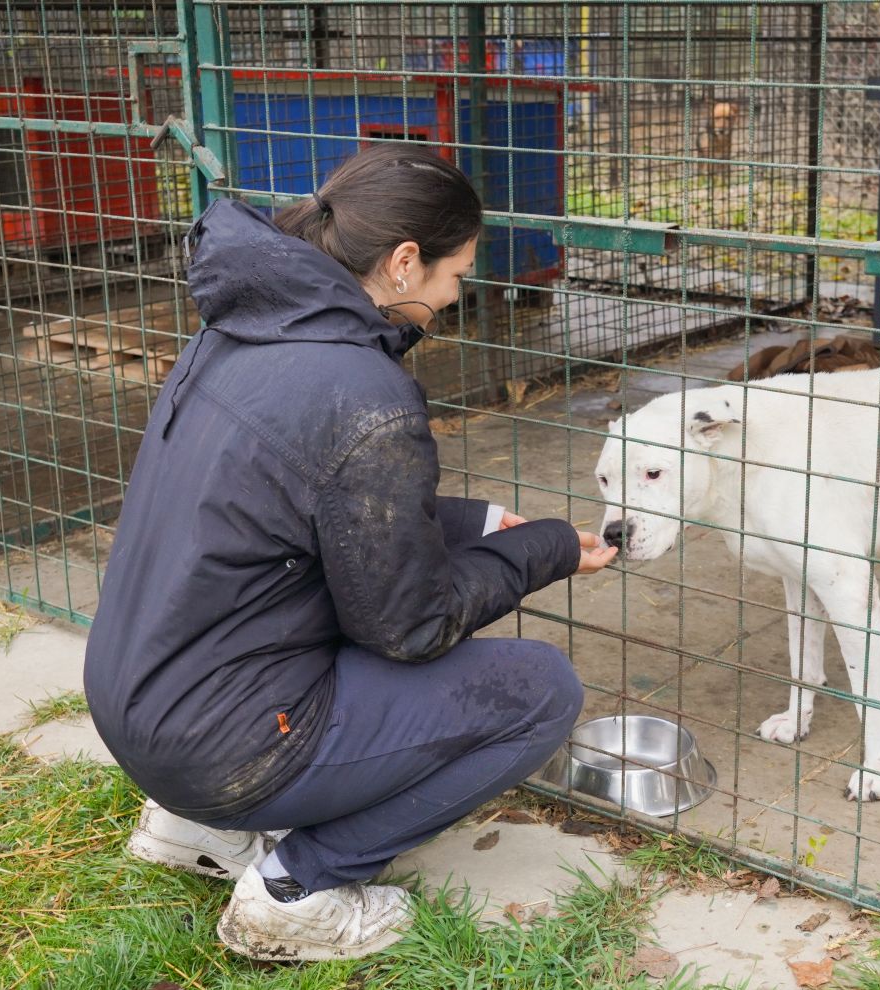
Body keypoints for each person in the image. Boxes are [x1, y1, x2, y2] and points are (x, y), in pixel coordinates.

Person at [83, 144, 615, 962]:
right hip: (223, 741)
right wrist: (543, 549)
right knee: (541, 690)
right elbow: (411, 625)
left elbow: (311, 496)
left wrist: (479, 522)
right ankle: (298, 887)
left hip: (138, 702)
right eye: (455, 273)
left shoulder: (237, 329)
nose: (454, 295)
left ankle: (192, 829)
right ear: (404, 263)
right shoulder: (362, 392)